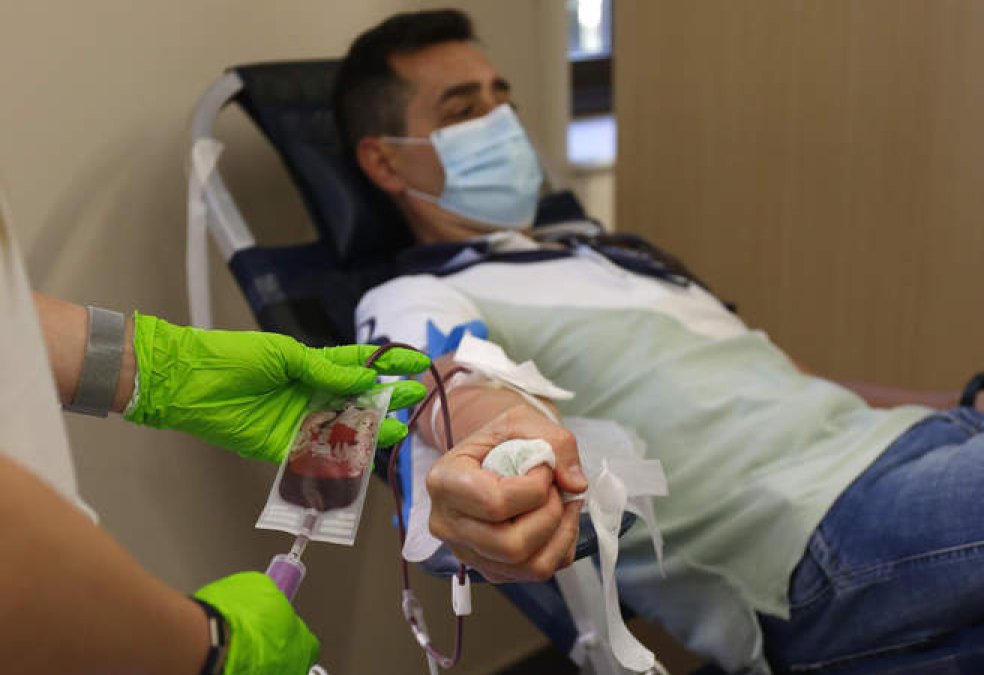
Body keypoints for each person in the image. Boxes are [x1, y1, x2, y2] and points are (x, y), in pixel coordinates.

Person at [334, 9, 984, 673]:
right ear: (384, 162)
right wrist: (484, 436)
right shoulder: (415, 290)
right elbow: (442, 383)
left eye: (501, 99)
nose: (500, 121)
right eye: (461, 108)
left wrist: (980, 399)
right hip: (823, 538)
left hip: (918, 445)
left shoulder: (605, 254)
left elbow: (784, 380)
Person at [2, 190, 586, 673]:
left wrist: (158, 366)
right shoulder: (412, 294)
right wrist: (202, 649)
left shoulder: (589, 253)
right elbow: (457, 389)